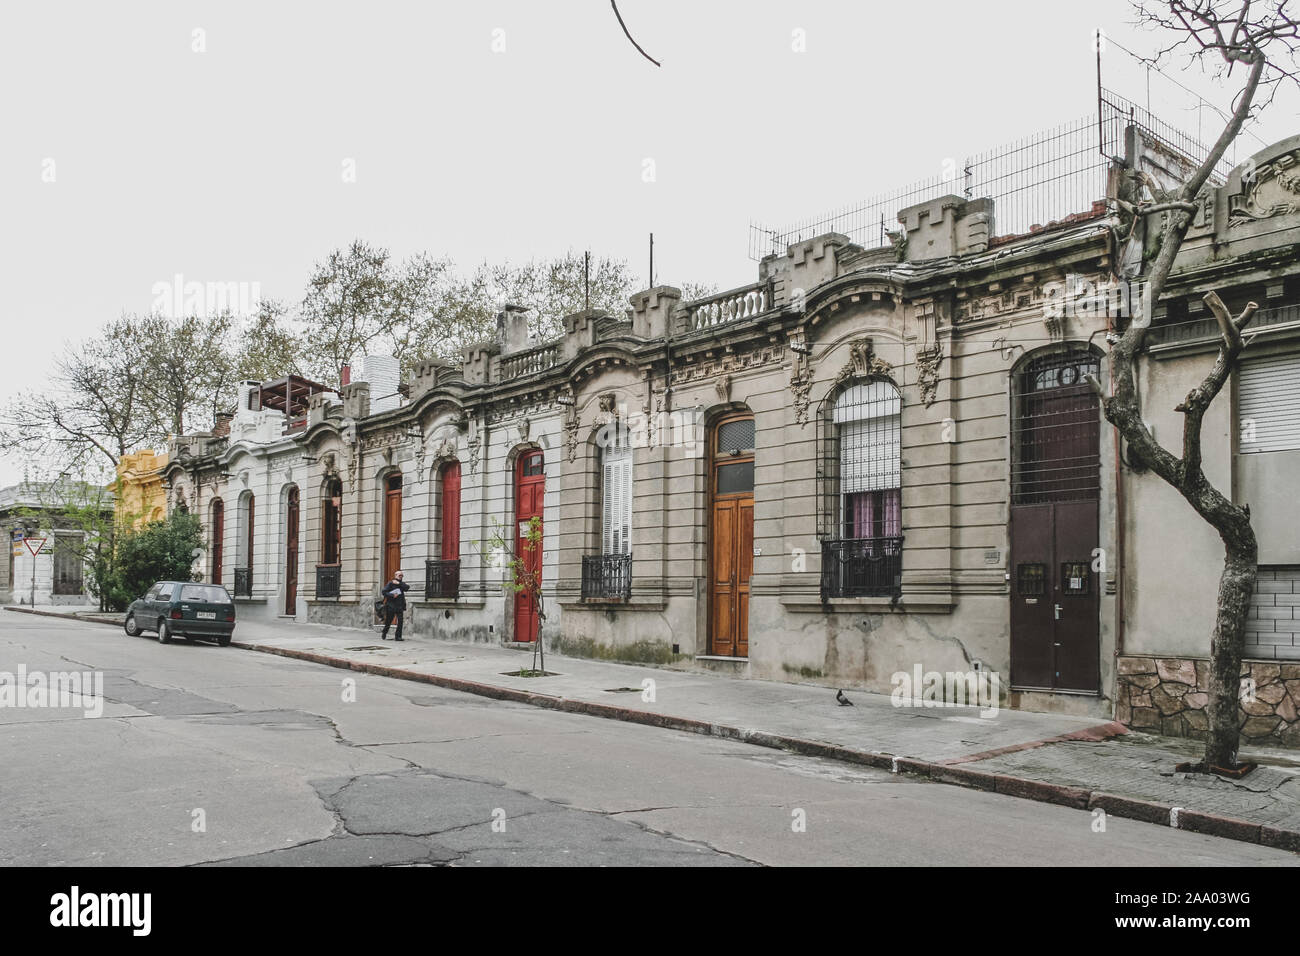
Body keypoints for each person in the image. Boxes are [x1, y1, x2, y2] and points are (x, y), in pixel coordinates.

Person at [380, 570, 410, 641]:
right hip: (391, 605)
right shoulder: (390, 583)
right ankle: (384, 632)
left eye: (402, 575)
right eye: (399, 575)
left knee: (400, 621)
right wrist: (392, 595)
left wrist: (399, 583)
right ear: (395, 575)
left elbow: (407, 588)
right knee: (389, 621)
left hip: (400, 605)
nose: (401, 577)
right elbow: (384, 592)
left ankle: (398, 636)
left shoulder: (401, 584)